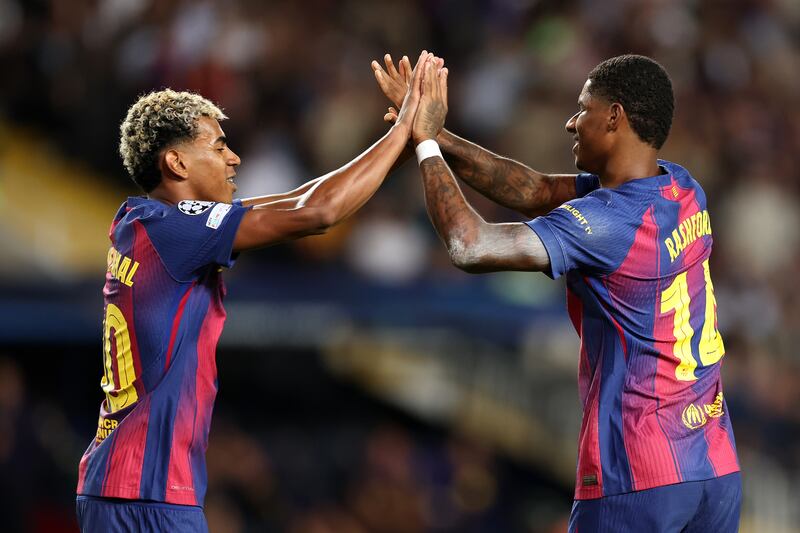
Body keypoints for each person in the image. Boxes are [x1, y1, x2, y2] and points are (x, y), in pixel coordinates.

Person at [373, 54, 741, 531]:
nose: (571, 123)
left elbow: (470, 245)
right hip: (714, 467)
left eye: (584, 108)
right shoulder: (684, 188)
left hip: (637, 473)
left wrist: (423, 144)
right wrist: (440, 133)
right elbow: (537, 189)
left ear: (615, 116)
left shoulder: (607, 223)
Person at [74, 51, 433, 533]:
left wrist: (401, 144)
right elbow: (318, 213)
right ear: (176, 161)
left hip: (123, 485)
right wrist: (404, 127)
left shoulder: (152, 224)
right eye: (218, 146)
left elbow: (301, 198)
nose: (234, 157)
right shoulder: (173, 229)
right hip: (148, 494)